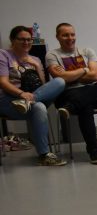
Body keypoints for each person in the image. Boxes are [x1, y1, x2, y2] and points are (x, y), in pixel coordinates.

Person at [0, 25, 67, 166]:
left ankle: (28, 102)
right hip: (9, 99)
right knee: (40, 107)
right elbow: (3, 83)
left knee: (60, 81)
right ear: (12, 40)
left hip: (30, 99)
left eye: (29, 39)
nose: (26, 42)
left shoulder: (35, 59)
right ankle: (44, 155)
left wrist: (36, 66)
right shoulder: (3, 55)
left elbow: (42, 85)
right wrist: (21, 93)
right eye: (22, 39)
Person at [45, 23, 97, 164]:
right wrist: (84, 70)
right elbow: (60, 78)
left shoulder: (87, 51)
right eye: (65, 35)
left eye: (72, 34)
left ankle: (71, 108)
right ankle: (95, 152)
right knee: (86, 107)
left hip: (88, 92)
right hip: (66, 95)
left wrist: (69, 75)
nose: (70, 38)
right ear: (57, 37)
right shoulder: (52, 55)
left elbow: (96, 76)